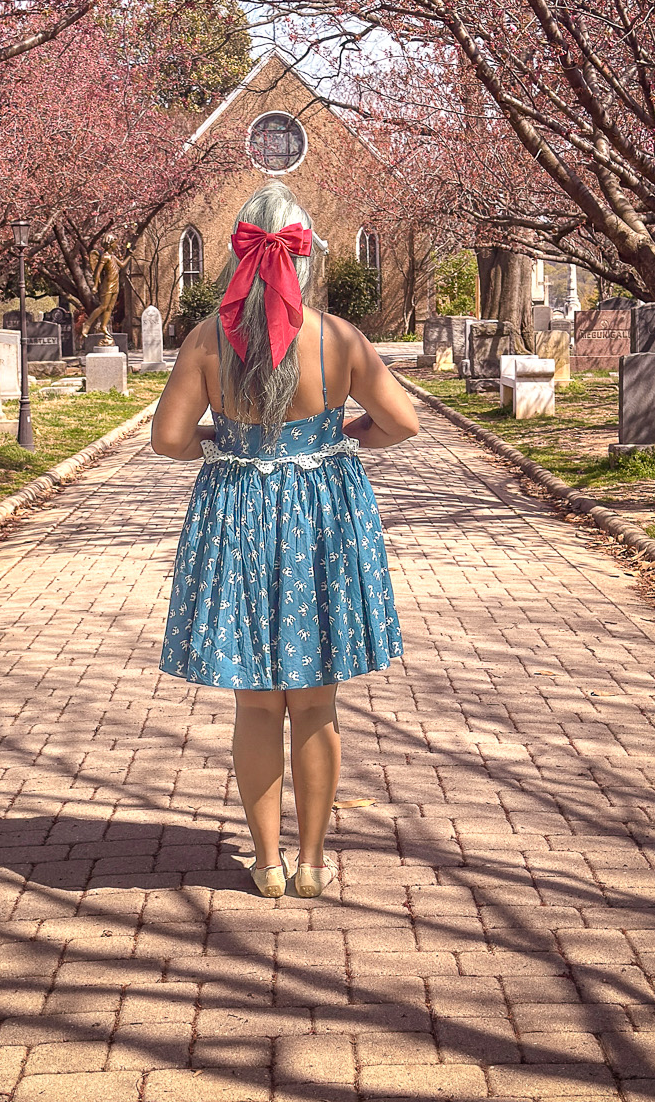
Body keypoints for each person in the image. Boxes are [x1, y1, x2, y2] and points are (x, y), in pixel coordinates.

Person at [151, 181, 418, 899]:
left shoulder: (209, 339)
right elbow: (402, 424)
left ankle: (264, 863)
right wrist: (347, 433)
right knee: (314, 702)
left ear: (239, 251)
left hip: (237, 512)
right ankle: (310, 863)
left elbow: (169, 440)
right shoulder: (337, 338)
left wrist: (220, 440)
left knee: (256, 703)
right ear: (305, 255)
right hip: (320, 519)